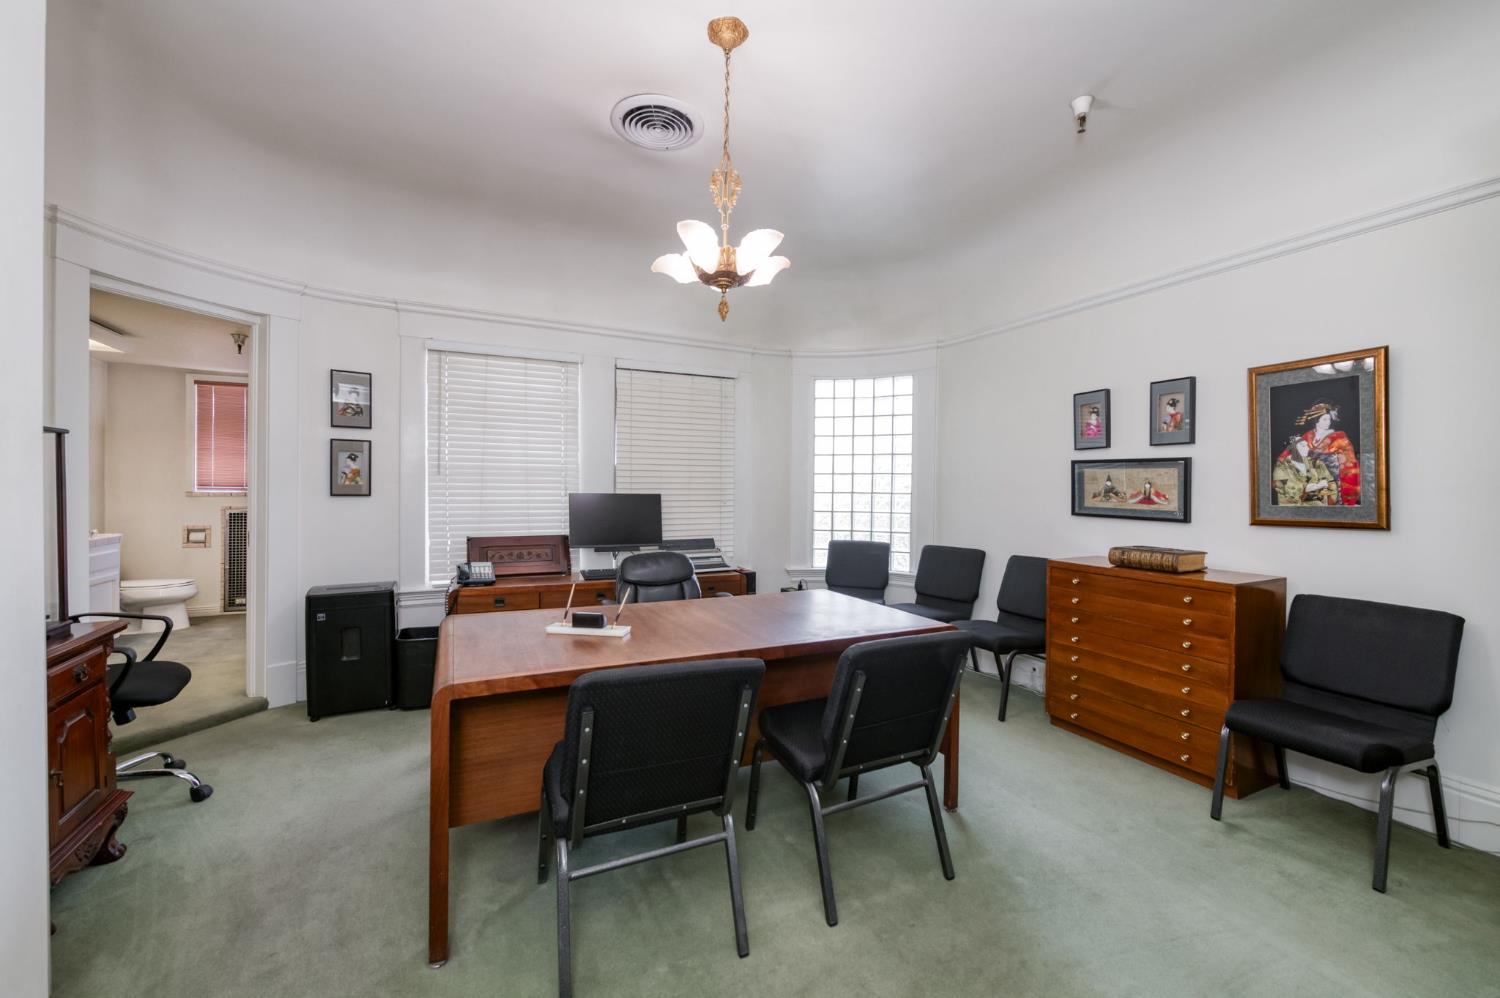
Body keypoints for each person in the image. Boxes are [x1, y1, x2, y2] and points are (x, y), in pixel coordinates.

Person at [1278, 400, 1360, 505]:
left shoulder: (1339, 437)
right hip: (1309, 482)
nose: (1328, 422)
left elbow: (1349, 463)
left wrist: (1348, 494)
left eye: (1329, 419)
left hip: (1332, 482)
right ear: (1316, 421)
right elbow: (1287, 454)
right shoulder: (1308, 435)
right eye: (1325, 419)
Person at [1272, 435, 1336, 505]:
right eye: (1303, 446)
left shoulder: (1316, 463)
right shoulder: (1281, 467)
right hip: (1293, 510)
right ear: (1293, 448)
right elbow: (1283, 490)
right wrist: (1313, 487)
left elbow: (1330, 482)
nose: (1307, 448)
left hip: (1319, 507)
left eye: (1307, 445)